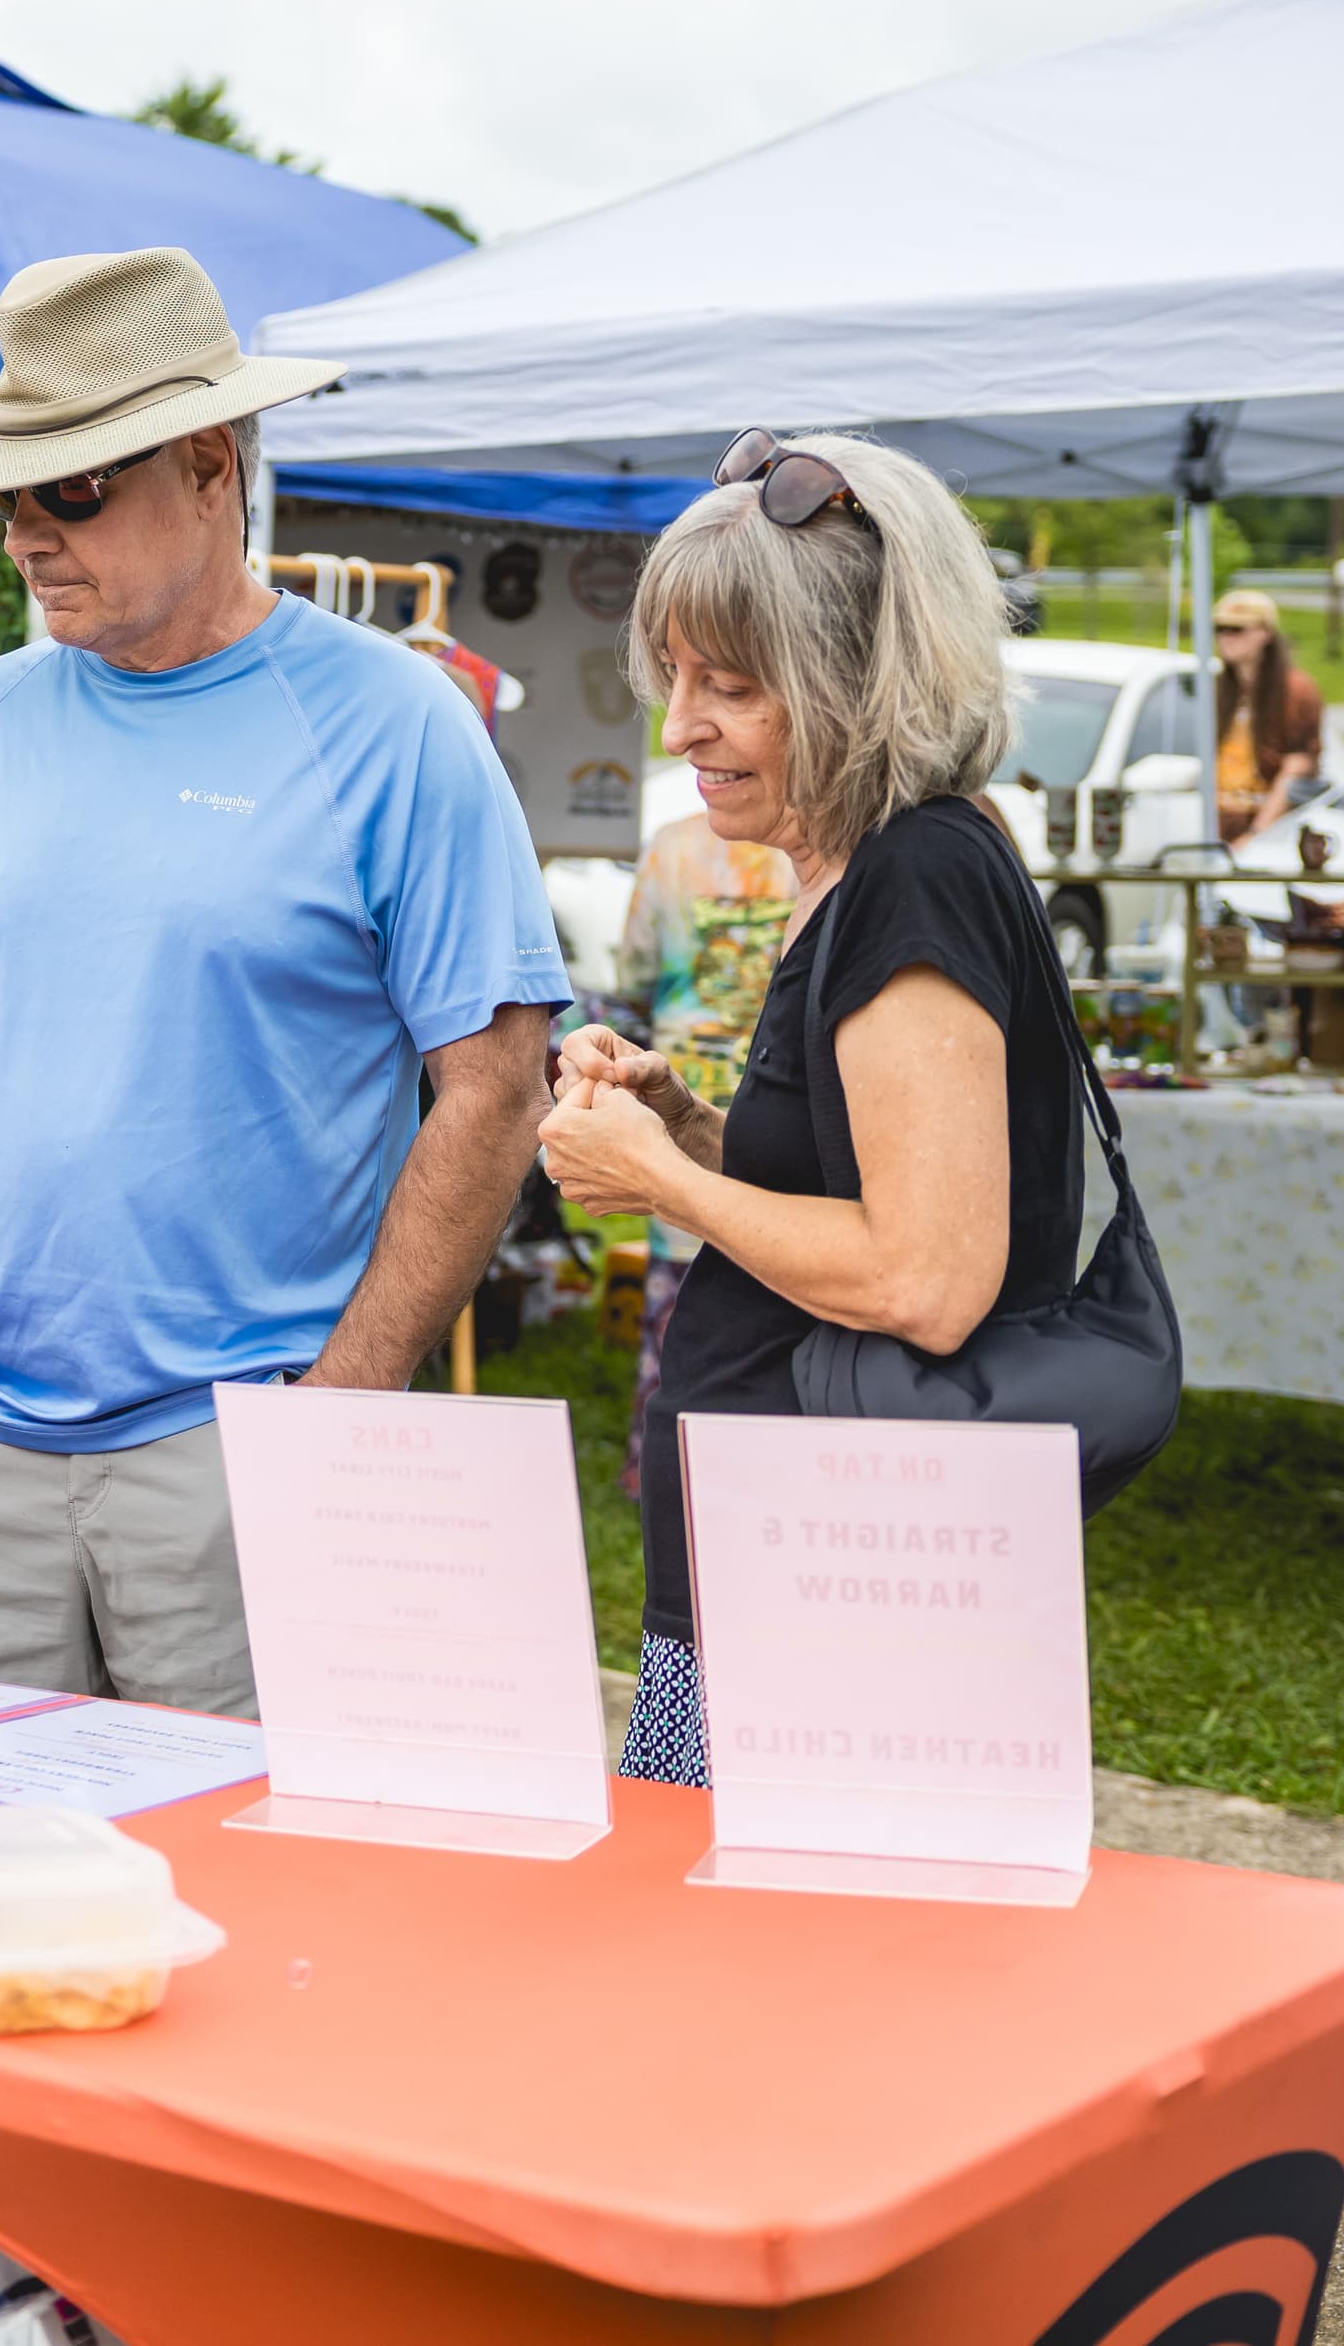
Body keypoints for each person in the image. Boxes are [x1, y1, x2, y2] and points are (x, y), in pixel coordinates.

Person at [0, 247, 566, 1714]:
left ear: (210, 463)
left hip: (244, 1447)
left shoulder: (393, 721)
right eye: (9, 496)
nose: (29, 536)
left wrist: (338, 1417)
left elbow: (492, 1088)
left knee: (245, 1913)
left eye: (74, 491)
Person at [531, 429, 1075, 1788]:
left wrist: (661, 1184)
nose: (681, 729)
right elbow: (856, 1192)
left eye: (730, 688)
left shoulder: (913, 878)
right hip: (796, 1553)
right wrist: (692, 1127)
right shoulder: (875, 867)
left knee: (756, 1969)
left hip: (828, 1578)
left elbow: (928, 1277)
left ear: (853, 683)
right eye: (676, 678)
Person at [602, 806, 795, 1513]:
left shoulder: (671, 847)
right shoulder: (799, 840)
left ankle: (654, 1473)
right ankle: (756, 1482)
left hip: (678, 1084)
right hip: (770, 1088)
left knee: (673, 1304)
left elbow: (635, 970)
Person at [1212, 587, 1324, 842]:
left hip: (1271, 829)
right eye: (1220, 628)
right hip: (1221, 822)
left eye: (1237, 629)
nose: (1226, 637)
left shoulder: (1296, 690)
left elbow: (1298, 766)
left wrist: (1256, 833)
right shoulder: (1217, 689)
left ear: (1265, 633)